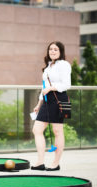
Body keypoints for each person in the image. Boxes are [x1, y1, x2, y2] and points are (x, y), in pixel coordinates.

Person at [31, 41, 71, 171]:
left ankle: (55, 163)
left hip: (58, 98)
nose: (52, 51)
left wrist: (50, 89)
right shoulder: (48, 67)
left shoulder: (64, 65)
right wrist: (38, 104)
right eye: (50, 49)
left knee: (57, 131)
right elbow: (44, 87)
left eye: (55, 49)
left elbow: (66, 85)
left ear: (60, 52)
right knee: (37, 130)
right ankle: (40, 162)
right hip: (47, 100)